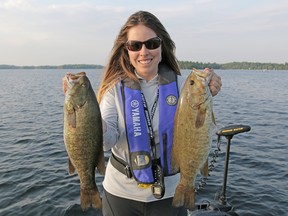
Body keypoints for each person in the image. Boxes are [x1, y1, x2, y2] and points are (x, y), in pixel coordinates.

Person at [97, 11, 222, 216]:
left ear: (162, 45)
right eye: (135, 46)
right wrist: (92, 122)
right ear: (126, 50)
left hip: (172, 193)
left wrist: (210, 83)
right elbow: (106, 142)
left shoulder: (183, 87)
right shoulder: (113, 90)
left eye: (152, 43)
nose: (144, 51)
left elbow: (204, 129)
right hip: (121, 194)